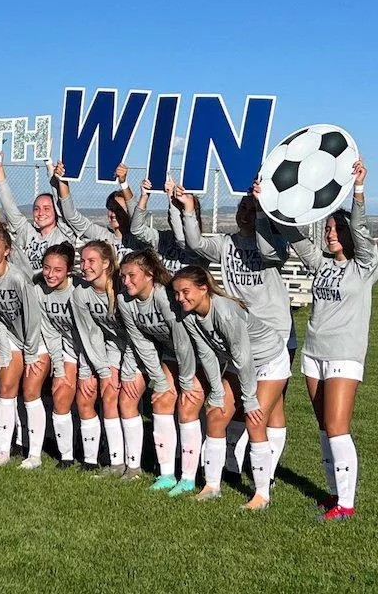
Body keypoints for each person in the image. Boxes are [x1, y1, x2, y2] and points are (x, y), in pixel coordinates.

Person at [271, 159, 378, 520]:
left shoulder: (364, 266)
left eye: (334, 229)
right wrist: (270, 203)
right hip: (314, 353)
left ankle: (346, 505)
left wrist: (358, 191)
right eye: (328, 228)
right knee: (323, 428)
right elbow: (295, 237)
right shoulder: (324, 265)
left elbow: (361, 231)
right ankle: (334, 496)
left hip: (344, 355)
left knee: (336, 426)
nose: (329, 234)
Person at [179, 182, 293, 482]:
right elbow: (196, 244)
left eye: (250, 208)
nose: (245, 213)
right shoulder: (226, 243)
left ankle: (265, 473)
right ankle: (232, 466)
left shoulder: (269, 240)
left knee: (268, 408)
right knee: (250, 406)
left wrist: (261, 213)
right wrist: (189, 210)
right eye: (242, 207)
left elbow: (275, 254)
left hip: (274, 335)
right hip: (237, 331)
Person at [172, 265, 290, 510]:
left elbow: (244, 357)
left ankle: (261, 495)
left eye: (186, 292)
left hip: (269, 358)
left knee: (255, 419)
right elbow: (207, 353)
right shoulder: (190, 315)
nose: (180, 298)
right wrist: (216, 392)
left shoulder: (225, 312)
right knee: (215, 414)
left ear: (204, 289)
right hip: (240, 361)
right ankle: (212, 486)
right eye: (177, 293)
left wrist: (249, 399)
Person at [118, 249, 204, 496]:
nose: (126, 282)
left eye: (132, 275)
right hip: (170, 353)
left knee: (188, 405)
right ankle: (167, 474)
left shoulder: (164, 298)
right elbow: (141, 342)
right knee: (161, 401)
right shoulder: (126, 301)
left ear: (149, 275)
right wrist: (159, 381)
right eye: (123, 277)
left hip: (196, 352)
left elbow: (184, 340)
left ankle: (188, 477)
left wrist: (186, 382)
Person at [0, 223, 50, 469]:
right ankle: (4, 452)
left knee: (30, 391)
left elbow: (33, 317)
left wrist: (30, 354)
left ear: (7, 251)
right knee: (6, 387)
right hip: (9, 337)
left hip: (35, 338)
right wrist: (4, 345)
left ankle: (35, 456)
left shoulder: (18, 277)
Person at [71, 240, 145, 477]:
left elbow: (139, 335)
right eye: (82, 261)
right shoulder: (81, 294)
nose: (85, 266)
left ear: (106, 263)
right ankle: (116, 463)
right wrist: (104, 371)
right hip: (115, 348)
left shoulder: (123, 288)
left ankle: (134, 467)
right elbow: (90, 336)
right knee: (108, 395)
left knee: (127, 399)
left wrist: (125, 371)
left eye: (91, 261)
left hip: (142, 349)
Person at [35, 242, 92, 468]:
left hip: (93, 353)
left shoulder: (79, 290)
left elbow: (91, 335)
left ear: (69, 270)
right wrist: (59, 369)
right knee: (60, 394)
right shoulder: (40, 290)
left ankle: (92, 458)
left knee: (87, 398)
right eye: (47, 268)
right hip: (68, 350)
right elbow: (50, 332)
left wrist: (86, 370)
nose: (50, 274)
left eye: (57, 270)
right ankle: (66, 456)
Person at [0, 158, 71, 274]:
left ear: (56, 211)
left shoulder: (63, 233)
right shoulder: (27, 232)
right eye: (36, 209)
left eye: (46, 208)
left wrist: (48, 164)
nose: (41, 213)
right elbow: (9, 207)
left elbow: (60, 200)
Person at [55, 162, 144, 261]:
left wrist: (124, 183)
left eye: (119, 209)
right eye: (111, 208)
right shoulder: (100, 236)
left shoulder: (139, 239)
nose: (114, 213)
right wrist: (63, 179)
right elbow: (71, 216)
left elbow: (136, 213)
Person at [130, 175, 207, 273]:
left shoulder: (201, 245)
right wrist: (144, 197)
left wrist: (171, 198)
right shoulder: (165, 239)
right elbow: (137, 230)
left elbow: (181, 240)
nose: (175, 215)